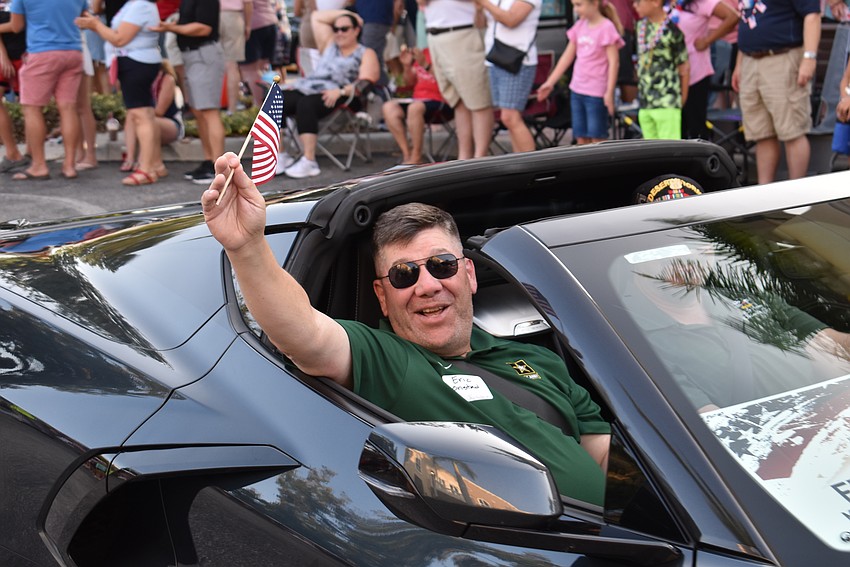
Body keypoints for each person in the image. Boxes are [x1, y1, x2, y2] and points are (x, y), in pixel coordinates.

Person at [201, 157, 612, 504]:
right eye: (404, 274)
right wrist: (248, 248)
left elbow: (603, 455)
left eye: (442, 265)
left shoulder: (539, 359)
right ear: (383, 296)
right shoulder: (388, 361)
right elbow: (303, 334)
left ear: (468, 275)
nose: (428, 284)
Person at [280, 10, 380, 178]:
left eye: (345, 28)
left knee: (306, 104)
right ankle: (280, 155)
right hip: (310, 88)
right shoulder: (329, 45)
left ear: (356, 30)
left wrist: (340, 91)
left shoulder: (365, 53)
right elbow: (316, 17)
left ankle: (309, 160)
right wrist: (351, 15)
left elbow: (365, 84)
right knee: (277, 100)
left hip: (344, 95)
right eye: (336, 28)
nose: (339, 33)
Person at [77, 0, 167, 185]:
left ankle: (147, 168)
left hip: (136, 63)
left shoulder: (140, 5)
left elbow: (119, 39)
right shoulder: (136, 5)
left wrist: (95, 24)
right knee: (145, 115)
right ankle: (155, 164)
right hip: (136, 62)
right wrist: (95, 24)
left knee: (141, 115)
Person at [731, 0, 820, 184]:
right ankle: (766, 194)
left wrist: (809, 57)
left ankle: (798, 195)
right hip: (750, 59)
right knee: (762, 133)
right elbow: (747, 19)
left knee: (793, 130)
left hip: (783, 57)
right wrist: (739, 63)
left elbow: (812, 15)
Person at [8, 0, 86, 181]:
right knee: (68, 108)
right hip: (73, 51)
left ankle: (39, 165)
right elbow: (85, 19)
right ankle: (69, 165)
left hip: (42, 51)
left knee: (32, 108)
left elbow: (16, 26)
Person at [153, 0, 226, 185]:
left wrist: (172, 28)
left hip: (203, 55)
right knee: (199, 111)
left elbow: (204, 28)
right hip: (192, 55)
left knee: (209, 111)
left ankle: (219, 168)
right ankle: (209, 161)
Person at [537, 0, 624, 145]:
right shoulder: (579, 26)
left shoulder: (606, 28)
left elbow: (614, 62)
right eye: (574, 5)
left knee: (597, 137)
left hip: (596, 93)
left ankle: (601, 167)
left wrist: (609, 92)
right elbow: (567, 57)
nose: (576, 9)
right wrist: (550, 82)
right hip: (577, 90)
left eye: (579, 5)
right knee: (580, 136)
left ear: (594, 3)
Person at [420, 0, 494, 160]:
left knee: (478, 100)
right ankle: (464, 158)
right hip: (435, 36)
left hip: (464, 32)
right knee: (458, 101)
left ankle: (480, 158)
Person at [475, 0, 541, 153]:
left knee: (510, 117)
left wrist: (484, 3)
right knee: (510, 117)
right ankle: (521, 163)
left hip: (517, 60)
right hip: (494, 58)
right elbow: (480, 24)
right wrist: (478, 8)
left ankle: (533, 165)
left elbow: (511, 20)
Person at [671, 0, 737, 140]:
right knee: (675, 126)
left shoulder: (702, 2)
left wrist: (708, 40)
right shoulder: (664, 3)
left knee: (696, 124)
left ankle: (701, 160)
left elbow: (733, 16)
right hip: (671, 75)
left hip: (696, 72)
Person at [381, 46, 450, 164]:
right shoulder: (423, 52)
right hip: (418, 100)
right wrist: (406, 66)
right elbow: (410, 82)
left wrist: (426, 65)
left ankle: (416, 156)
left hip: (442, 101)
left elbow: (448, 79)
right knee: (389, 107)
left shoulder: (445, 51)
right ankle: (407, 154)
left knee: (415, 107)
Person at [633, 0, 689, 140]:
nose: (635, 5)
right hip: (646, 102)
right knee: (650, 154)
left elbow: (684, 67)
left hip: (667, 101)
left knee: (669, 154)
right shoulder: (640, 26)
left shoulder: (672, 30)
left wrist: (682, 99)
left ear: (656, 2)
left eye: (638, 1)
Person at [120, 61, 184, 170]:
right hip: (149, 119)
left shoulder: (167, 79)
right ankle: (129, 158)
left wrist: (141, 111)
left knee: (146, 118)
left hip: (169, 122)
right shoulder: (141, 80)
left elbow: (160, 111)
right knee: (132, 114)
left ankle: (143, 161)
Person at [0, 6, 29, 174]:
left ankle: (31, 154)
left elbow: (20, 24)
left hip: (26, 51)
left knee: (29, 105)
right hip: (7, 52)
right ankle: (13, 153)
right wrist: (2, 54)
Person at [240, 0, 277, 108]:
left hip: (254, 25)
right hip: (270, 21)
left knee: (250, 70)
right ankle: (271, 102)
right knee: (262, 69)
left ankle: (259, 106)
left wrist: (246, 26)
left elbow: (248, 3)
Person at [219, 0, 251, 114]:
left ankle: (214, 106)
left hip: (213, 15)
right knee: (231, 65)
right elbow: (248, 3)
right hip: (233, 16)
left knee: (216, 64)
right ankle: (232, 108)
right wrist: (248, 25)